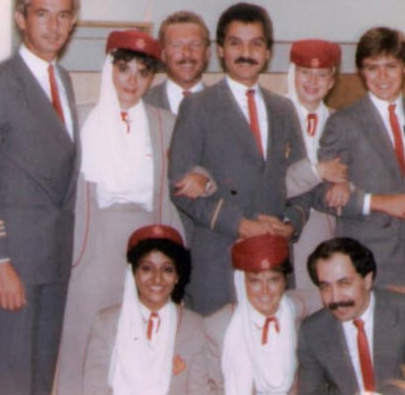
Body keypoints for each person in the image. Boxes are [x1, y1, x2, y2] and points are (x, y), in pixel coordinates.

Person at [0, 0, 80, 395]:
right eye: (43, 14)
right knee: (12, 377)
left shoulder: (62, 81)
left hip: (54, 256)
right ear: (21, 19)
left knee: (42, 376)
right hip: (15, 261)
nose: (54, 26)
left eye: (63, 16)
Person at [56, 30, 191, 394]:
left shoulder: (166, 123)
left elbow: (184, 177)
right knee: (84, 338)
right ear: (109, 69)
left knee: (142, 333)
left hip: (148, 237)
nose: (132, 80)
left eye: (143, 73)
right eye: (124, 69)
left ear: (152, 78)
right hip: (93, 242)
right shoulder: (80, 119)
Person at [168, 2, 312, 315]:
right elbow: (180, 188)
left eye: (255, 44)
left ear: (268, 52)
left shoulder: (284, 109)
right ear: (220, 50)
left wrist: (290, 223)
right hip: (220, 257)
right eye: (236, 43)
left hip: (274, 259)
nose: (246, 53)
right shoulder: (197, 107)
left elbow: (302, 183)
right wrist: (242, 225)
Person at [318, 27, 405, 289]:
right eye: (372, 68)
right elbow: (325, 195)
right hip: (365, 258)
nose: (383, 76)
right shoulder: (342, 123)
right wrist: (377, 202)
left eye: (391, 66)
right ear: (361, 72)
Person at [297, 237, 405, 395]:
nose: (335, 298)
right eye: (325, 287)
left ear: (367, 280)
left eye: (344, 284)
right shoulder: (312, 331)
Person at [82, 224, 210, 395]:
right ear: (134, 273)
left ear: (178, 276)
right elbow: (94, 389)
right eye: (147, 268)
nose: (157, 278)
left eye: (167, 269)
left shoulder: (195, 326)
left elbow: (199, 390)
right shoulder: (106, 323)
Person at [283, 39, 348, 291]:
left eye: (321, 75)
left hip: (326, 230)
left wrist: (343, 181)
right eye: (305, 73)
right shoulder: (273, 116)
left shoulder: (342, 122)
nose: (312, 82)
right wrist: (317, 172)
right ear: (293, 74)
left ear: (332, 81)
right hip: (284, 225)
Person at [205, 234, 300, 395]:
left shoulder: (298, 315)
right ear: (242, 282)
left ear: (286, 280)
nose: (264, 291)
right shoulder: (217, 327)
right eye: (255, 281)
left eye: (273, 280)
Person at [144, 10, 212, 114]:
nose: (187, 53)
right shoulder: (143, 103)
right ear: (162, 53)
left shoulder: (225, 105)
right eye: (177, 45)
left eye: (195, 44)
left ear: (207, 53)